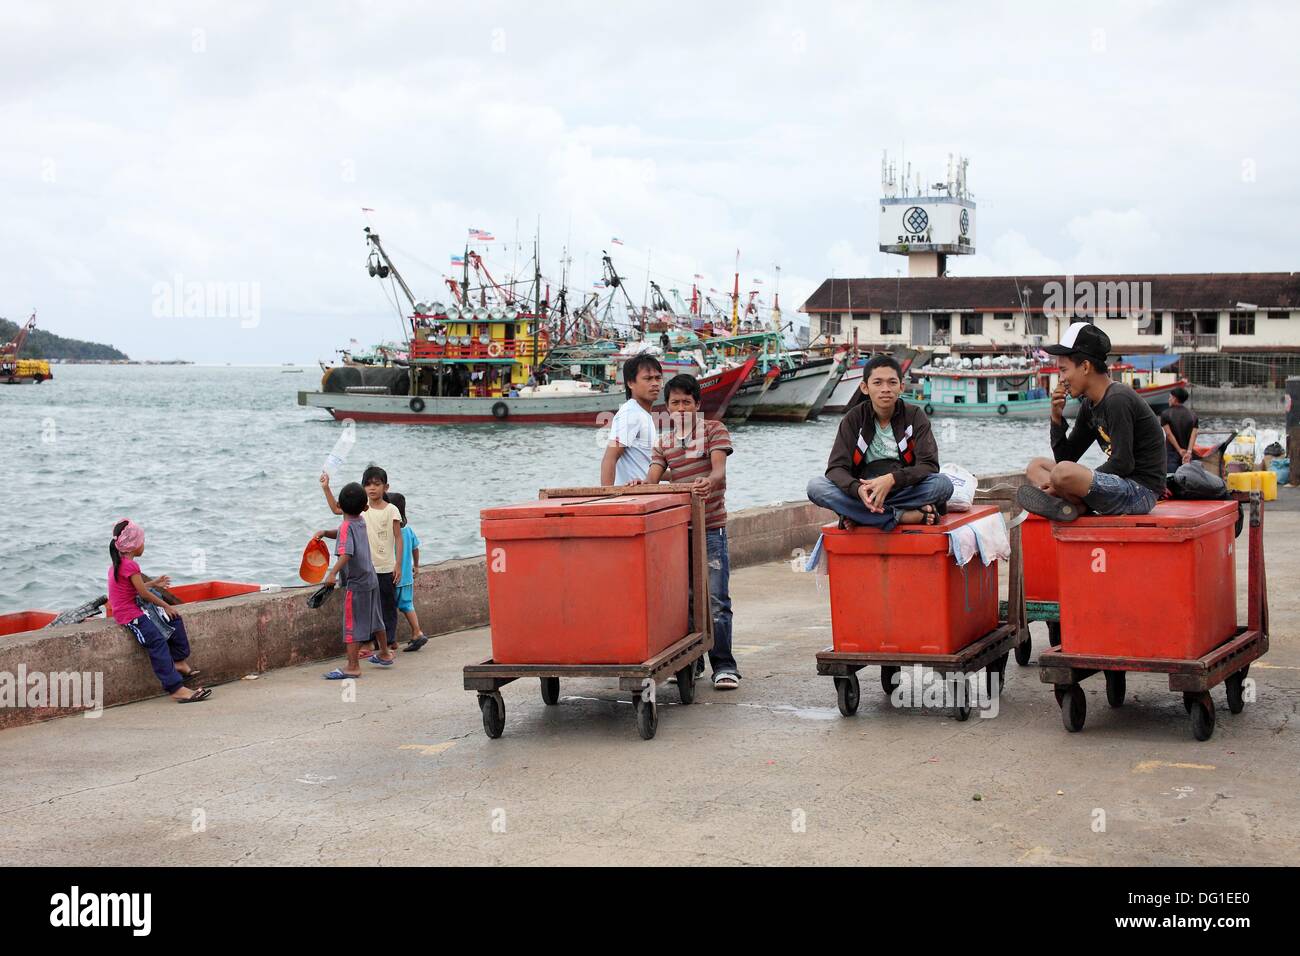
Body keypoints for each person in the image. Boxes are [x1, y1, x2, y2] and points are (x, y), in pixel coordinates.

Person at [641, 373, 739, 690]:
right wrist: (639, 486)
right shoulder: (664, 442)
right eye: (674, 403)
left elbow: (719, 471)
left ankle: (724, 666)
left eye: (687, 402)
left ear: (697, 405)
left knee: (716, 601)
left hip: (711, 529)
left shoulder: (714, 430)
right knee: (682, 603)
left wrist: (709, 481)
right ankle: (689, 663)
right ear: (667, 408)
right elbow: (652, 481)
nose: (681, 408)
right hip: (677, 534)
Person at [1019, 322, 1167, 521]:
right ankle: (1074, 506)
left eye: (1063, 370)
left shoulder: (1117, 399)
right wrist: (1056, 417)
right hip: (1118, 485)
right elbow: (1067, 457)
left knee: (1062, 474)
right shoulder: (1089, 405)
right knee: (1036, 466)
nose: (1061, 379)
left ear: (1086, 366)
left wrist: (1062, 484)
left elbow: (1123, 463)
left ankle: (1073, 503)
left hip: (1140, 492)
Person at [806, 354, 953, 529]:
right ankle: (901, 515)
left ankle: (860, 515)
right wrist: (857, 489)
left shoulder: (915, 416)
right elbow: (836, 468)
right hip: (866, 492)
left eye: (892, 382)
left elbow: (929, 465)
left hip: (903, 488)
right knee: (816, 487)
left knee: (942, 484)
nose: (885, 389)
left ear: (901, 387)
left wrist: (891, 480)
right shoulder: (854, 418)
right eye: (877, 383)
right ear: (865, 387)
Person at [107, 519, 210, 702]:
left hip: (135, 606)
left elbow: (135, 588)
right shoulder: (130, 565)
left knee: (174, 620)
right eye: (142, 541)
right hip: (129, 614)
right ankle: (175, 688)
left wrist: (154, 583)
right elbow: (143, 594)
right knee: (157, 642)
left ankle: (178, 661)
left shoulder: (122, 564)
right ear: (133, 546)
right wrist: (166, 605)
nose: (144, 544)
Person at [321, 465, 403, 660]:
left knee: (385, 606)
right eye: (367, 485)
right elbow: (336, 509)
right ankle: (379, 648)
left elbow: (398, 538)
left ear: (386, 487)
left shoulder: (390, 510)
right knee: (373, 611)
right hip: (369, 569)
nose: (372, 488)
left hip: (382, 566)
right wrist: (326, 488)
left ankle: (384, 644)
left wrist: (398, 564)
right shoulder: (360, 512)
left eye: (376, 484)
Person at [315, 482, 388, 679]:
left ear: (339, 505)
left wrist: (332, 573)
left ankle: (353, 666)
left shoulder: (347, 525)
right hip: (370, 577)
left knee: (351, 624)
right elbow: (344, 535)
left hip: (356, 583)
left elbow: (346, 553)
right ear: (364, 507)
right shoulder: (361, 521)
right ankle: (385, 653)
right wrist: (325, 533)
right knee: (376, 617)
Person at [600, 353, 662, 485]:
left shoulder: (643, 414)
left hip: (643, 494)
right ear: (630, 383)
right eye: (648, 379)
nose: (655, 383)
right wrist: (605, 498)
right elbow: (610, 458)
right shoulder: (630, 413)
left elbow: (645, 465)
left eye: (658, 378)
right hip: (630, 497)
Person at [387, 492, 430, 653]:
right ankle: (416, 632)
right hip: (407, 578)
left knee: (389, 608)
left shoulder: (391, 532)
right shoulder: (409, 530)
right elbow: (415, 549)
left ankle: (392, 640)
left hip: (393, 576)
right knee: (407, 605)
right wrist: (416, 566)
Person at [1160, 386, 1199, 474]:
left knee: (1171, 477)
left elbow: (1168, 434)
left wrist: (1179, 450)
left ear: (1174, 399)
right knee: (1186, 478)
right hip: (1187, 455)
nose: (1169, 399)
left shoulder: (1166, 414)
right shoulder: (1193, 415)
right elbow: (1194, 434)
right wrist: (1189, 452)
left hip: (1171, 454)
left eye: (1170, 397)